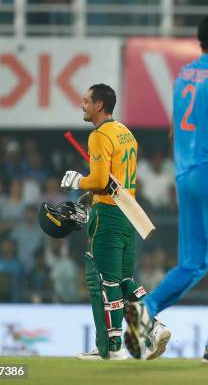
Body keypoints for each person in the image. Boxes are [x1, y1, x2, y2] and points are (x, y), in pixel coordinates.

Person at [129, 9, 208, 364]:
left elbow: (173, 130)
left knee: (193, 261)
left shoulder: (184, 75)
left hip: (184, 176)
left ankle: (146, 308)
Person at [60, 83, 150, 361]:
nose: (82, 105)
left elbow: (99, 180)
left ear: (99, 105)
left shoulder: (99, 136)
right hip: (129, 213)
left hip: (108, 215)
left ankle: (113, 348)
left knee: (105, 281)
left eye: (86, 101)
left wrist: (78, 181)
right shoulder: (126, 133)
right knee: (124, 280)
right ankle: (149, 328)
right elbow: (115, 180)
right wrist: (91, 192)